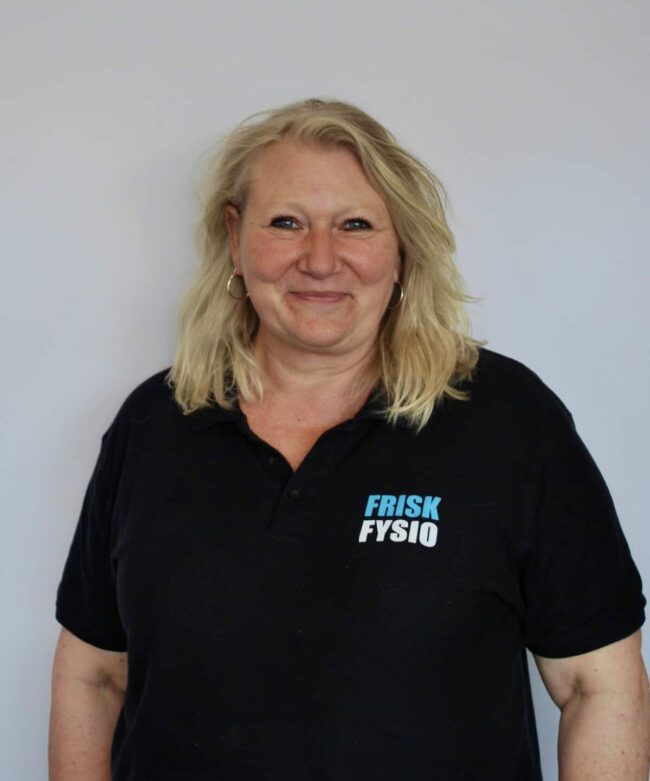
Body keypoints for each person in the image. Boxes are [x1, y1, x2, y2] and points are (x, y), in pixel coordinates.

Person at [49, 98, 649, 780]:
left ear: (401, 249)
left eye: (355, 225)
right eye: (286, 223)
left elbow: (596, 684)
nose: (320, 259)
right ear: (235, 238)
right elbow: (93, 673)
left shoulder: (510, 423)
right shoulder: (154, 424)